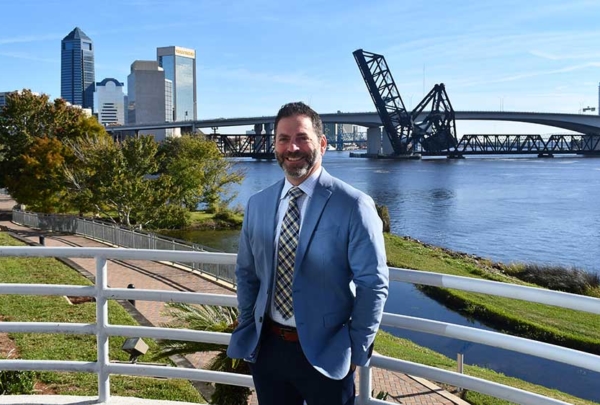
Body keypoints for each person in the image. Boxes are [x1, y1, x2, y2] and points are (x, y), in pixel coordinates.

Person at [227, 101, 389, 405]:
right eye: (284, 139)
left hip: (327, 356)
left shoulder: (354, 205)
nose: (293, 148)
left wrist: (356, 348)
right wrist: (248, 323)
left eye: (302, 137)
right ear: (275, 145)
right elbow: (247, 273)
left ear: (322, 144)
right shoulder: (258, 204)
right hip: (267, 350)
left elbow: (373, 283)